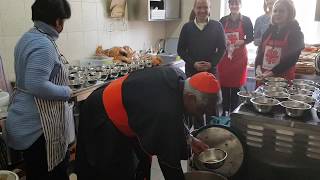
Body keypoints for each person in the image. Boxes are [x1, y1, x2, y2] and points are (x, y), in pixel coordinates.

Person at [76, 66, 222, 180]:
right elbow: (169, 162)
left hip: (125, 109)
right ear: (191, 98)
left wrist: (189, 139)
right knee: (109, 171)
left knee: (134, 165)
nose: (200, 114)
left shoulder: (180, 80)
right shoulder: (164, 109)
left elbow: (174, 119)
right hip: (102, 114)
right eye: (201, 109)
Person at [6, 0, 72, 179]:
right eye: (63, 21)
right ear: (58, 21)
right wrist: (67, 92)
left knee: (37, 171)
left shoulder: (28, 37)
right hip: (39, 128)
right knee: (51, 172)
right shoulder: (43, 44)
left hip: (26, 119)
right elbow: (36, 84)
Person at [217, 0, 253, 114]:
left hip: (239, 59)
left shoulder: (246, 20)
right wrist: (224, 41)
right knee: (225, 86)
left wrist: (242, 41)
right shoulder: (223, 20)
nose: (234, 6)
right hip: (225, 59)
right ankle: (225, 111)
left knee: (236, 87)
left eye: (236, 3)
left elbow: (251, 37)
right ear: (229, 6)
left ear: (240, 5)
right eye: (232, 4)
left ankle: (234, 112)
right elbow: (218, 35)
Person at [255, 0, 304, 82]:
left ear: (289, 13)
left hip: (282, 80)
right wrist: (258, 67)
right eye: (275, 11)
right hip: (264, 77)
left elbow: (291, 59)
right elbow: (260, 52)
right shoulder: (269, 31)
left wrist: (272, 72)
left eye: (281, 11)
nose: (277, 14)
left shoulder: (296, 33)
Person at [178, 0, 226, 77]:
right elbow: (180, 50)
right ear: (194, 9)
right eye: (199, 7)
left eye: (206, 7)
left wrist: (211, 64)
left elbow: (222, 48)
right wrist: (193, 63)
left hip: (210, 73)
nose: (202, 10)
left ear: (210, 8)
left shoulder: (217, 26)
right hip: (191, 72)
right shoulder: (186, 27)